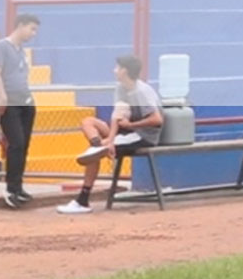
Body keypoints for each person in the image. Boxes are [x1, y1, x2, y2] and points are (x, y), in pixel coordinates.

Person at [56, 55, 163, 215]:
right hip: (125, 133)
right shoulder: (120, 88)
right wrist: (111, 140)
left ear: (125, 71)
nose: (114, 70)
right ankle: (99, 145)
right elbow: (117, 115)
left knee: (93, 155)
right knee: (88, 122)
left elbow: (157, 119)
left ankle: (83, 201)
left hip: (143, 137)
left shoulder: (141, 92)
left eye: (117, 68)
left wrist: (131, 125)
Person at [0, 13, 41, 209]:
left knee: (24, 144)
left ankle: (18, 187)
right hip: (9, 102)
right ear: (20, 25)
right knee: (16, 143)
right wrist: (1, 96)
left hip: (24, 101)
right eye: (31, 29)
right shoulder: (1, 47)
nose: (33, 34)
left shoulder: (21, 51)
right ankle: (10, 188)